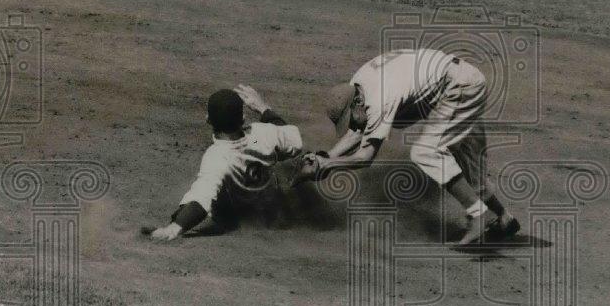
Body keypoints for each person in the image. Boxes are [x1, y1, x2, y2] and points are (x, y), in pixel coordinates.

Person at [306, 48, 520, 247]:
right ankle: (503, 218)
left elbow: (366, 156)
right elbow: (359, 129)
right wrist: (324, 158)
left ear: (357, 103)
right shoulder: (357, 87)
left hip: (460, 86)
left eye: (349, 119)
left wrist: (327, 164)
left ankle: (477, 214)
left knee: (426, 152)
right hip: (460, 79)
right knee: (467, 169)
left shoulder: (380, 97)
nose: (350, 126)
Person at [147, 85, 311, 241]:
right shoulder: (264, 132)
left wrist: (175, 227)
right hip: (270, 209)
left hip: (235, 219)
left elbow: (201, 199)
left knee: (211, 193)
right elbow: (292, 139)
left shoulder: (217, 157)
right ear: (243, 118)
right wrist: (264, 108)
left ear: (207, 120)